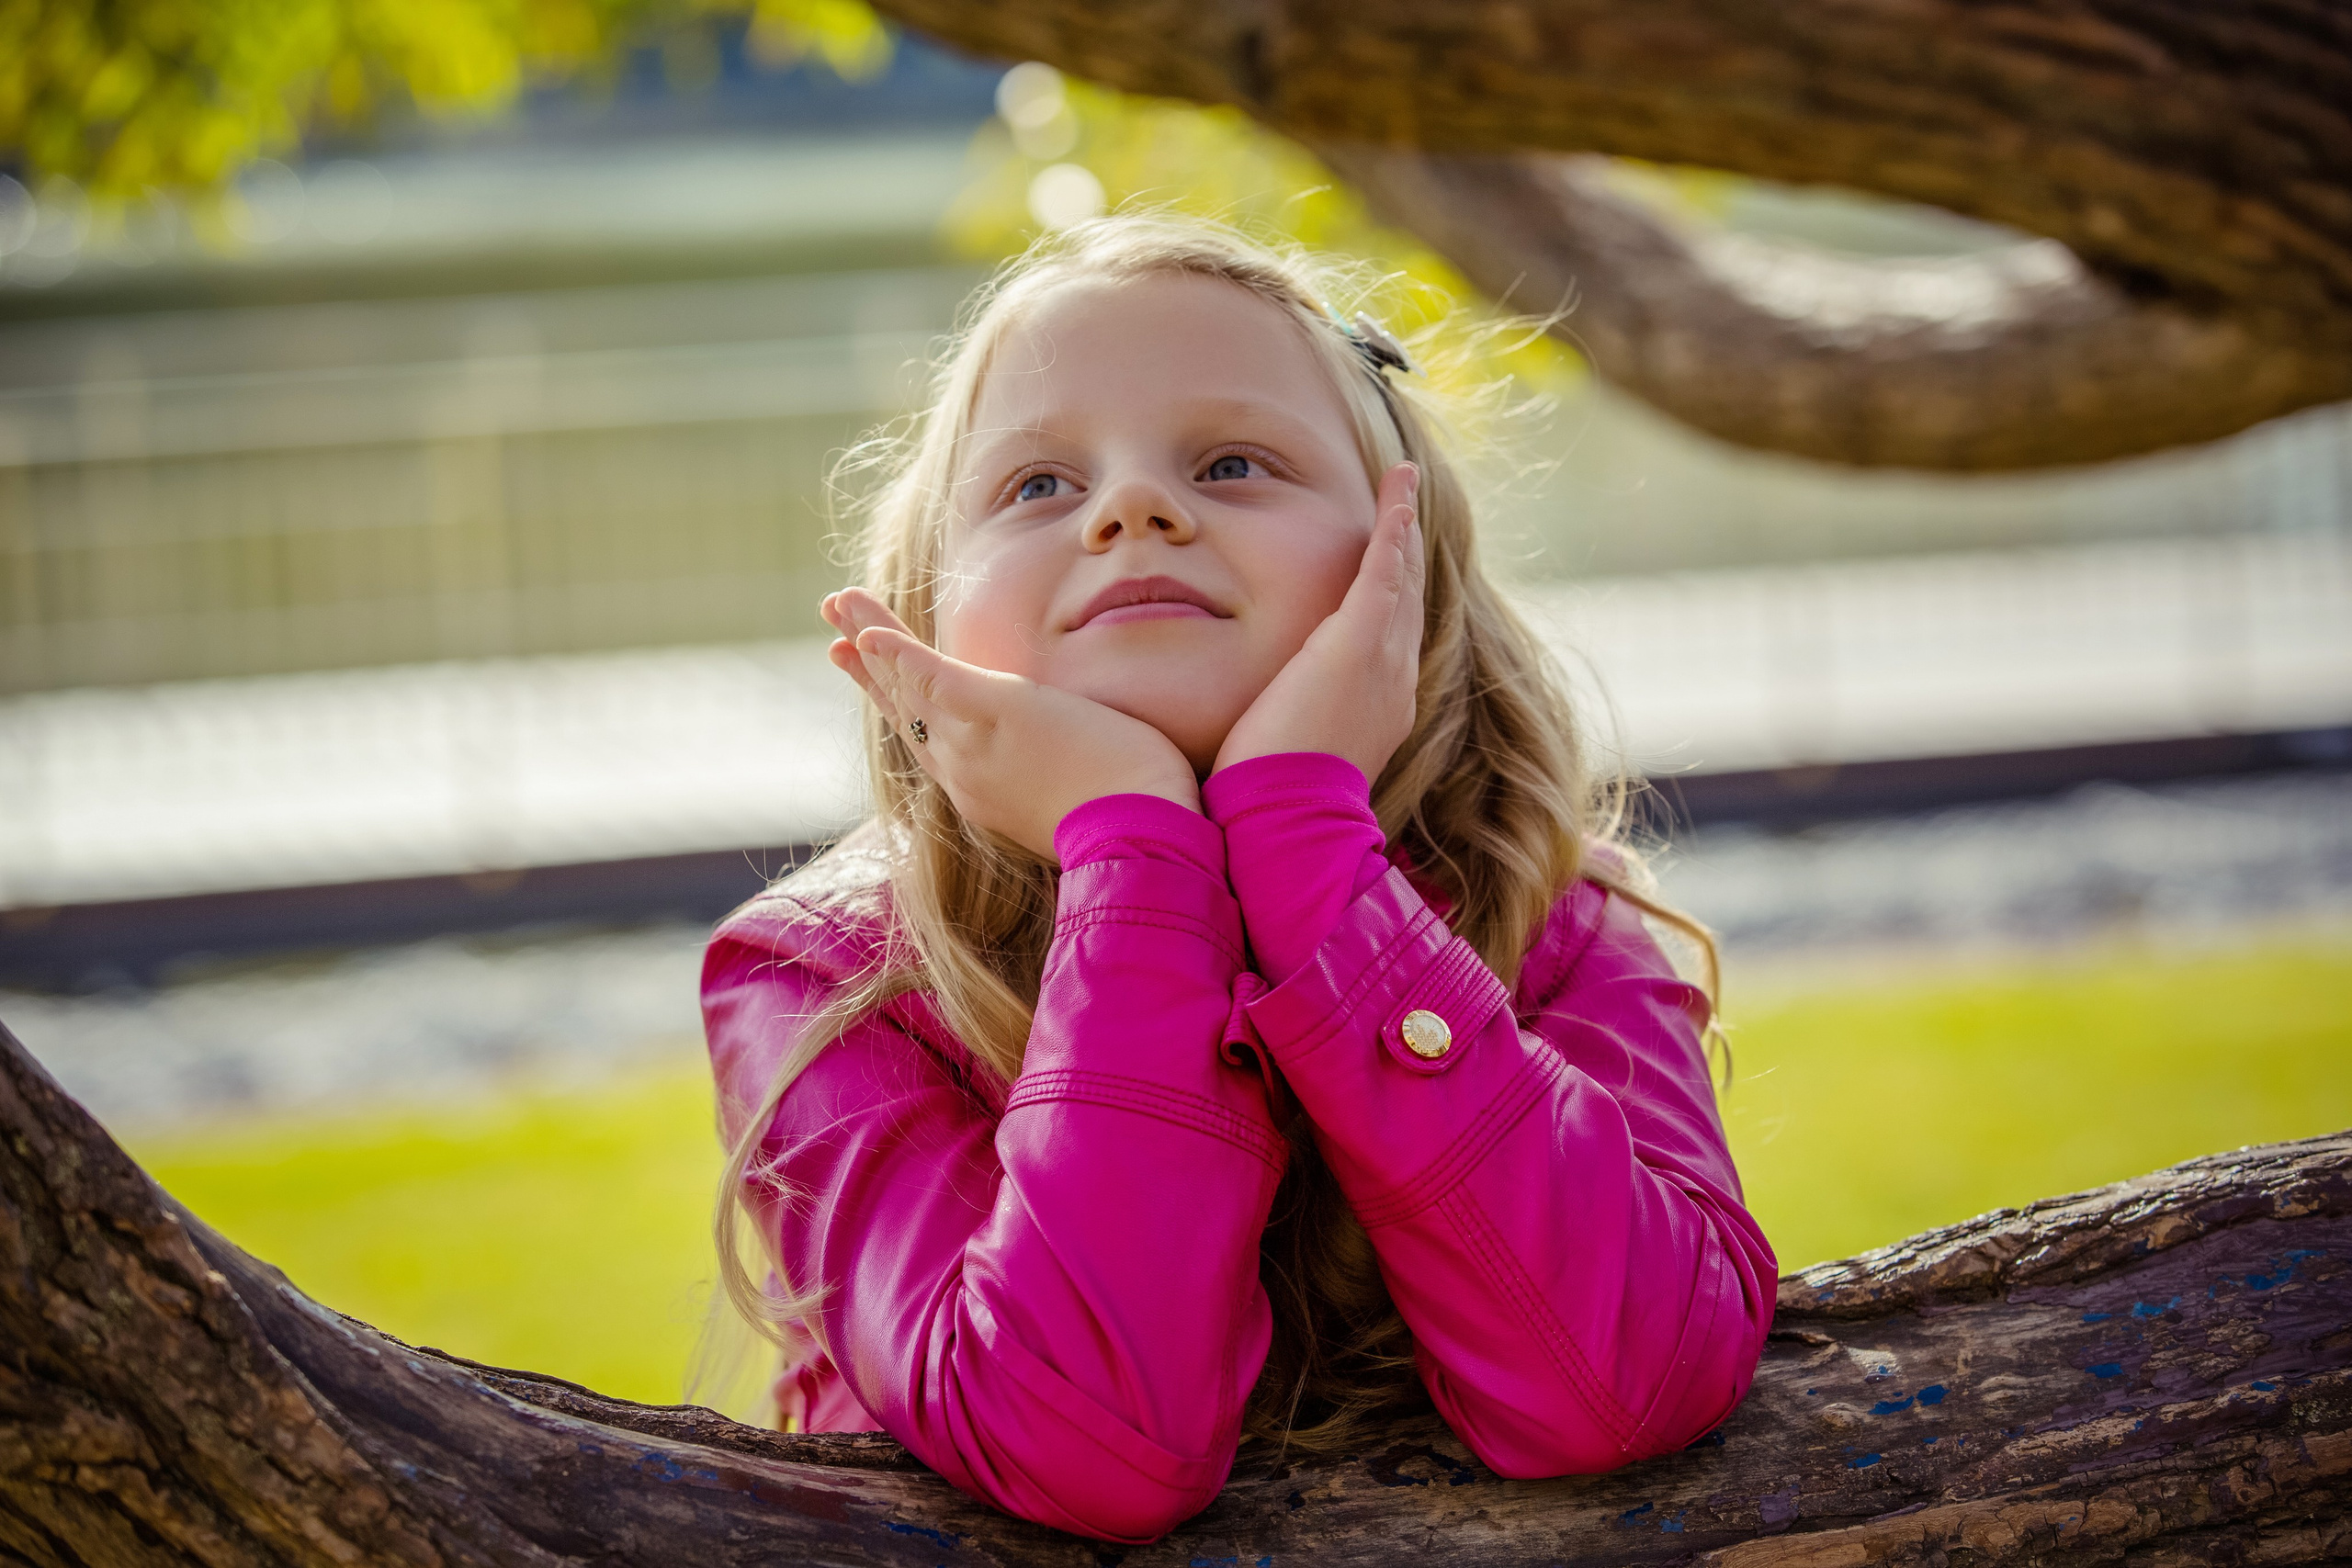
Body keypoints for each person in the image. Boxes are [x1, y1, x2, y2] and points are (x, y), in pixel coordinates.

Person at [699, 213, 1776, 1543]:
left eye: (1233, 462)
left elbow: (1627, 1387)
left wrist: (1301, 838)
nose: (1131, 511)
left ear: (1406, 563)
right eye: (1038, 485)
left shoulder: (1552, 917)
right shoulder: (826, 980)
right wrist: (1134, 854)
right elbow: (1083, 1445)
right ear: (924, 608)